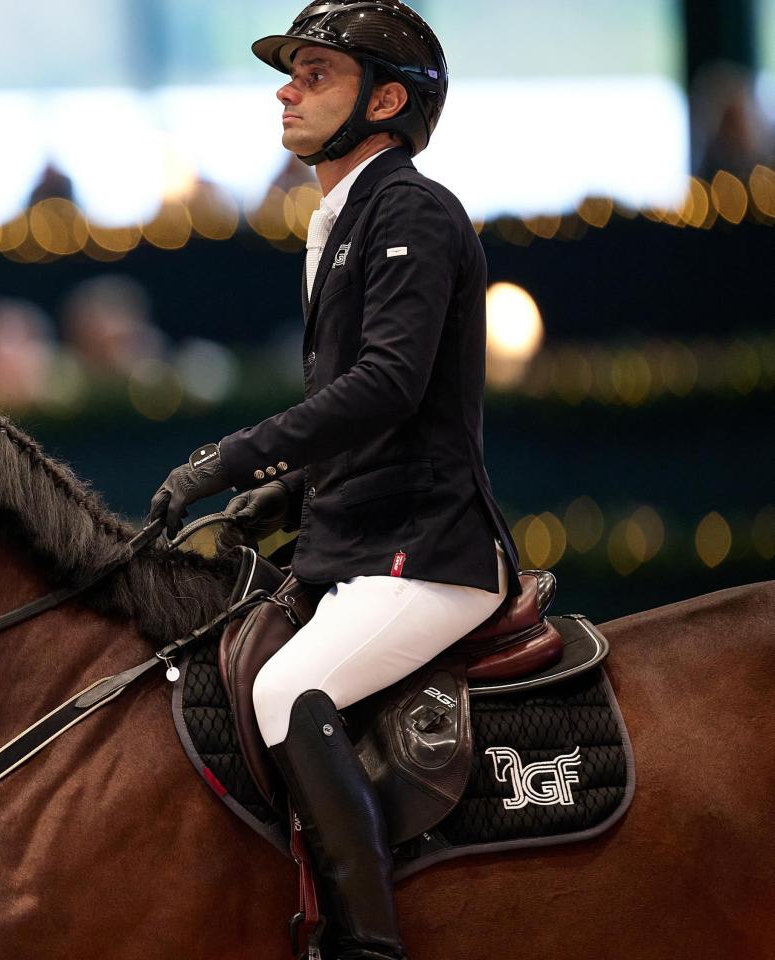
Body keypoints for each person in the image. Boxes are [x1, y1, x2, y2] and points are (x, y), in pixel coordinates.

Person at [146, 4, 519, 958]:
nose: (287, 89)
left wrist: (230, 458)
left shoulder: (412, 210)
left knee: (286, 692)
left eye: (315, 75)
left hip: (426, 551)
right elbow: (376, 410)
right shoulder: (340, 219)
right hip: (354, 538)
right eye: (291, 72)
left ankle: (368, 949)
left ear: (385, 101)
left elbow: (389, 385)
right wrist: (283, 494)